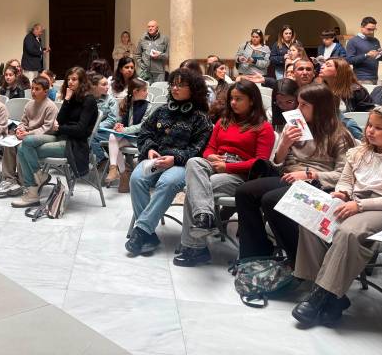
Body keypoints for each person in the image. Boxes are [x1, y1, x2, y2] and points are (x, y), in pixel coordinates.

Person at [234, 84, 355, 266]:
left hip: (318, 184)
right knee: (244, 191)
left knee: (271, 199)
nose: (297, 109)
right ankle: (255, 254)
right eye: (298, 104)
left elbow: (343, 175)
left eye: (304, 105)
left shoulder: (340, 135)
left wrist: (309, 174)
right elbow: (277, 163)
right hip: (288, 177)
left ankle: (299, 261)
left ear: (320, 107)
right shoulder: (296, 127)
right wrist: (284, 144)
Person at [292, 105, 382, 326]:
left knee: (348, 232)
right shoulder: (357, 152)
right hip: (355, 202)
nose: (370, 131)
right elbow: (346, 179)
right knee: (311, 221)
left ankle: (320, 296)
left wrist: (359, 204)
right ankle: (335, 299)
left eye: (379, 128)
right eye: (369, 126)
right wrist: (342, 192)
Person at [173, 80, 275, 266]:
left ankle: (194, 248)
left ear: (252, 101)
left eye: (238, 99)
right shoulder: (223, 121)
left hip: (241, 175)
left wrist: (227, 166)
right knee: (194, 162)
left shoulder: (263, 127)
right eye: (231, 99)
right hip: (216, 164)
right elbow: (209, 148)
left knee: (198, 189)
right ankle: (204, 217)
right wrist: (212, 158)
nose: (233, 103)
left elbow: (260, 163)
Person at [125, 68, 213, 256]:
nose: (175, 88)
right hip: (157, 159)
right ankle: (148, 235)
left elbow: (199, 150)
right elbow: (145, 133)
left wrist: (176, 159)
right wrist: (149, 148)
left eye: (181, 85)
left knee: (168, 182)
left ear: (194, 89)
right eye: (173, 84)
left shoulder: (201, 118)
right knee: (137, 178)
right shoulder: (162, 110)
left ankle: (141, 231)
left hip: (182, 165)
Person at [11, 67, 98, 207]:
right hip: (60, 136)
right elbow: (60, 119)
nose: (70, 82)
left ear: (82, 81)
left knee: (23, 149)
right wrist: (67, 100)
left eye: (74, 79)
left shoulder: (89, 101)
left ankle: (32, 192)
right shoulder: (72, 98)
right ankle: (40, 176)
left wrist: (61, 128)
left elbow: (81, 130)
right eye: (68, 79)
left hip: (74, 144)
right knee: (25, 143)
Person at [0, 77, 59, 197]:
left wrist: (27, 134)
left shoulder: (51, 107)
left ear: (46, 91)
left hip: (42, 138)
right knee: (9, 144)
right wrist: (20, 129)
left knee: (21, 145)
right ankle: (9, 179)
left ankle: (24, 181)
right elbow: (23, 122)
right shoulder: (29, 104)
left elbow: (47, 128)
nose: (33, 91)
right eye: (32, 88)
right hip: (27, 134)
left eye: (37, 89)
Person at [105, 78, 154, 190]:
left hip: (140, 139)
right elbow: (120, 120)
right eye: (145, 90)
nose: (147, 93)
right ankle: (116, 170)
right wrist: (118, 126)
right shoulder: (125, 103)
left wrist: (124, 130)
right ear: (136, 92)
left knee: (114, 144)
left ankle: (122, 173)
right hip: (128, 137)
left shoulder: (148, 106)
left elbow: (142, 126)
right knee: (112, 137)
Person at [346, 16, 382, 85]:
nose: (371, 32)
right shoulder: (353, 41)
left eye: (374, 29)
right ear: (362, 27)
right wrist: (366, 55)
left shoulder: (375, 40)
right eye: (369, 29)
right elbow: (349, 60)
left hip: (375, 77)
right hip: (360, 79)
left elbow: (381, 58)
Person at [89, 74, 119, 165]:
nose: (107, 87)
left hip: (107, 131)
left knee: (90, 135)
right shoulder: (88, 99)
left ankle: (102, 160)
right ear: (94, 86)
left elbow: (112, 120)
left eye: (107, 84)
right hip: (92, 130)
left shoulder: (111, 100)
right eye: (104, 84)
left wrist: (95, 127)